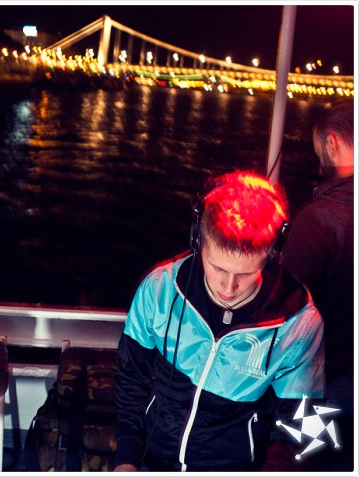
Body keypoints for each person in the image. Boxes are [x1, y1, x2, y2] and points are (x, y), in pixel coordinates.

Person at [113, 171, 325, 472]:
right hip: (150, 461)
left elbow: (302, 429)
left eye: (246, 274)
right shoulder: (159, 288)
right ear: (198, 241)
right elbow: (130, 378)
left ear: (272, 254)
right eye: (217, 269)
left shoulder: (300, 324)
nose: (228, 287)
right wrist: (126, 457)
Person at [281, 101, 354, 470]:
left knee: (308, 463)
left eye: (318, 152)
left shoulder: (318, 220)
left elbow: (286, 309)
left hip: (326, 388)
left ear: (332, 143)